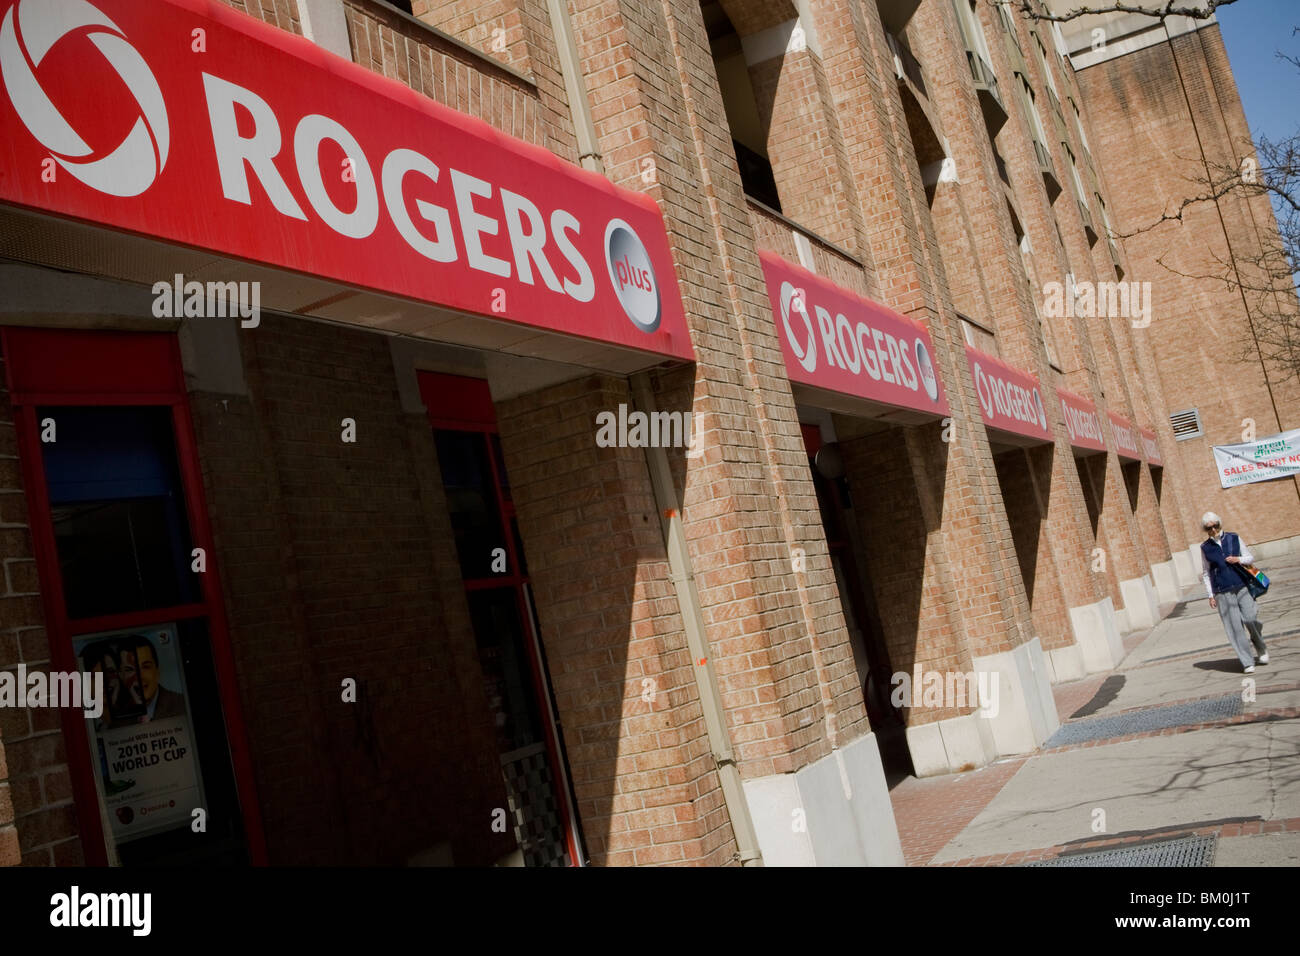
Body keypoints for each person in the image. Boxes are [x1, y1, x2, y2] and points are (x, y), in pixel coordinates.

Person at [1200, 511, 1269, 673]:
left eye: (1215, 526)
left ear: (1220, 524)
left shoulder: (1233, 537)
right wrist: (1210, 595)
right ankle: (1247, 661)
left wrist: (1238, 559)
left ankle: (1260, 647)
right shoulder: (1205, 548)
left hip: (1241, 585)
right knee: (1234, 628)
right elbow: (1206, 572)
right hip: (1221, 590)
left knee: (1250, 618)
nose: (1213, 530)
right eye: (1209, 528)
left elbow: (1249, 558)